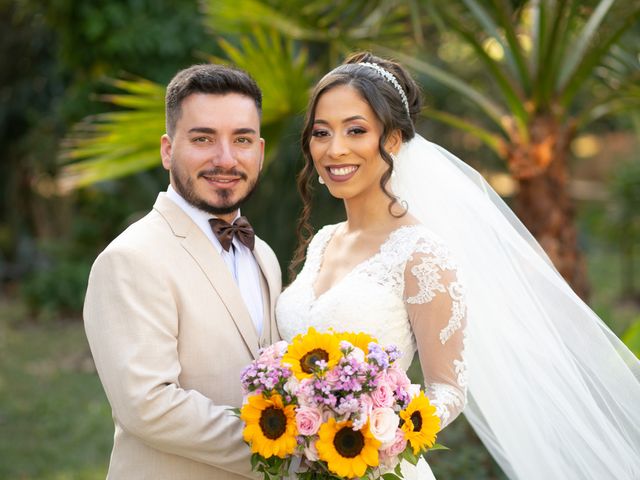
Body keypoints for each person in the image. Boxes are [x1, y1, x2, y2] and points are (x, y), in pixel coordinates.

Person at [276, 52, 640, 479]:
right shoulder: (322, 242)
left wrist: (374, 434)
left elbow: (448, 390)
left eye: (356, 130)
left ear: (392, 140)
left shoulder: (420, 252)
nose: (335, 148)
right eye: (322, 132)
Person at [84, 64, 281, 479]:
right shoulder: (131, 259)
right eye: (203, 138)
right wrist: (287, 449)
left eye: (241, 140)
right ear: (167, 150)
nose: (225, 159)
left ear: (259, 152)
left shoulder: (263, 254)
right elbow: (149, 406)